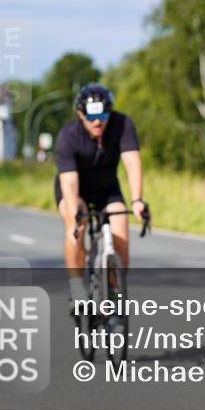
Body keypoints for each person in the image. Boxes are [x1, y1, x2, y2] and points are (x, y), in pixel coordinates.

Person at [55, 84, 147, 305]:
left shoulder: (122, 124)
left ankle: (115, 291)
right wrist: (75, 215)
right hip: (76, 190)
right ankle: (77, 287)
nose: (98, 122)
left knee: (121, 232)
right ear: (80, 114)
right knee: (76, 228)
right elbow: (68, 182)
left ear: (110, 111)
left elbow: (132, 162)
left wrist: (136, 200)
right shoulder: (69, 136)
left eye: (103, 115)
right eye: (91, 117)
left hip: (107, 189)